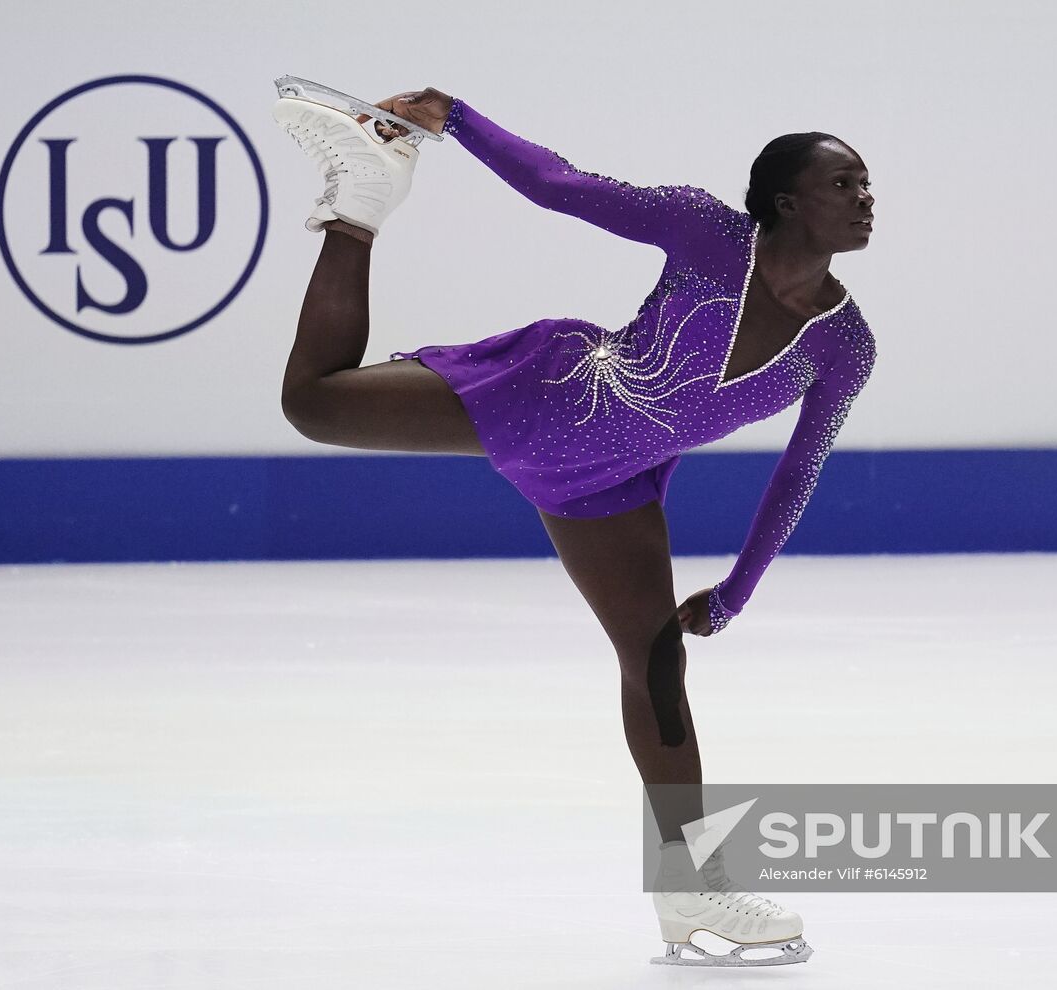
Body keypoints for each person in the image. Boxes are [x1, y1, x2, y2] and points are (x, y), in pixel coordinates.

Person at [271, 82, 877, 966]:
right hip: (549, 399)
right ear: (788, 202)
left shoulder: (844, 344)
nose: (865, 199)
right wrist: (461, 120)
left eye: (867, 187)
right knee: (313, 406)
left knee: (656, 662)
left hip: (611, 483)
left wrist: (736, 594)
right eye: (845, 184)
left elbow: (800, 469)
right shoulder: (710, 235)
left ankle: (689, 889)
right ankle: (361, 198)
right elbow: (560, 185)